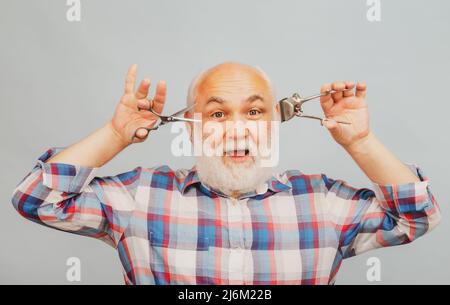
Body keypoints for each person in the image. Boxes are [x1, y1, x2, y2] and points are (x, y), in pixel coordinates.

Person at [11, 62, 441, 284]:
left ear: (274, 122)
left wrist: (360, 143)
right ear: (191, 126)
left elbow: (416, 216)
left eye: (254, 111)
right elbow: (36, 198)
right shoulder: (141, 196)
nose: (238, 127)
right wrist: (115, 135)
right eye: (217, 113)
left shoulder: (322, 202)